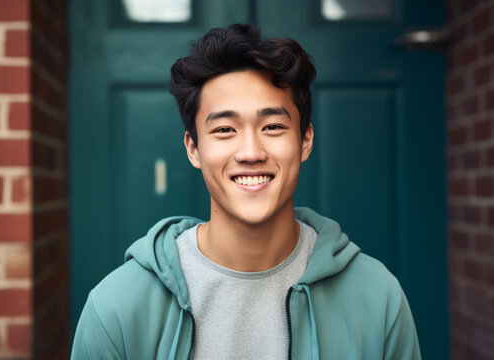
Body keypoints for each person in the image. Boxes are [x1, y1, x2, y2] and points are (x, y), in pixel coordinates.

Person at [71, 24, 421, 360]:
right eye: (225, 129)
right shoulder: (117, 306)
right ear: (193, 148)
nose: (251, 152)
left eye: (272, 126)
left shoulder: (378, 298)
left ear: (305, 141)